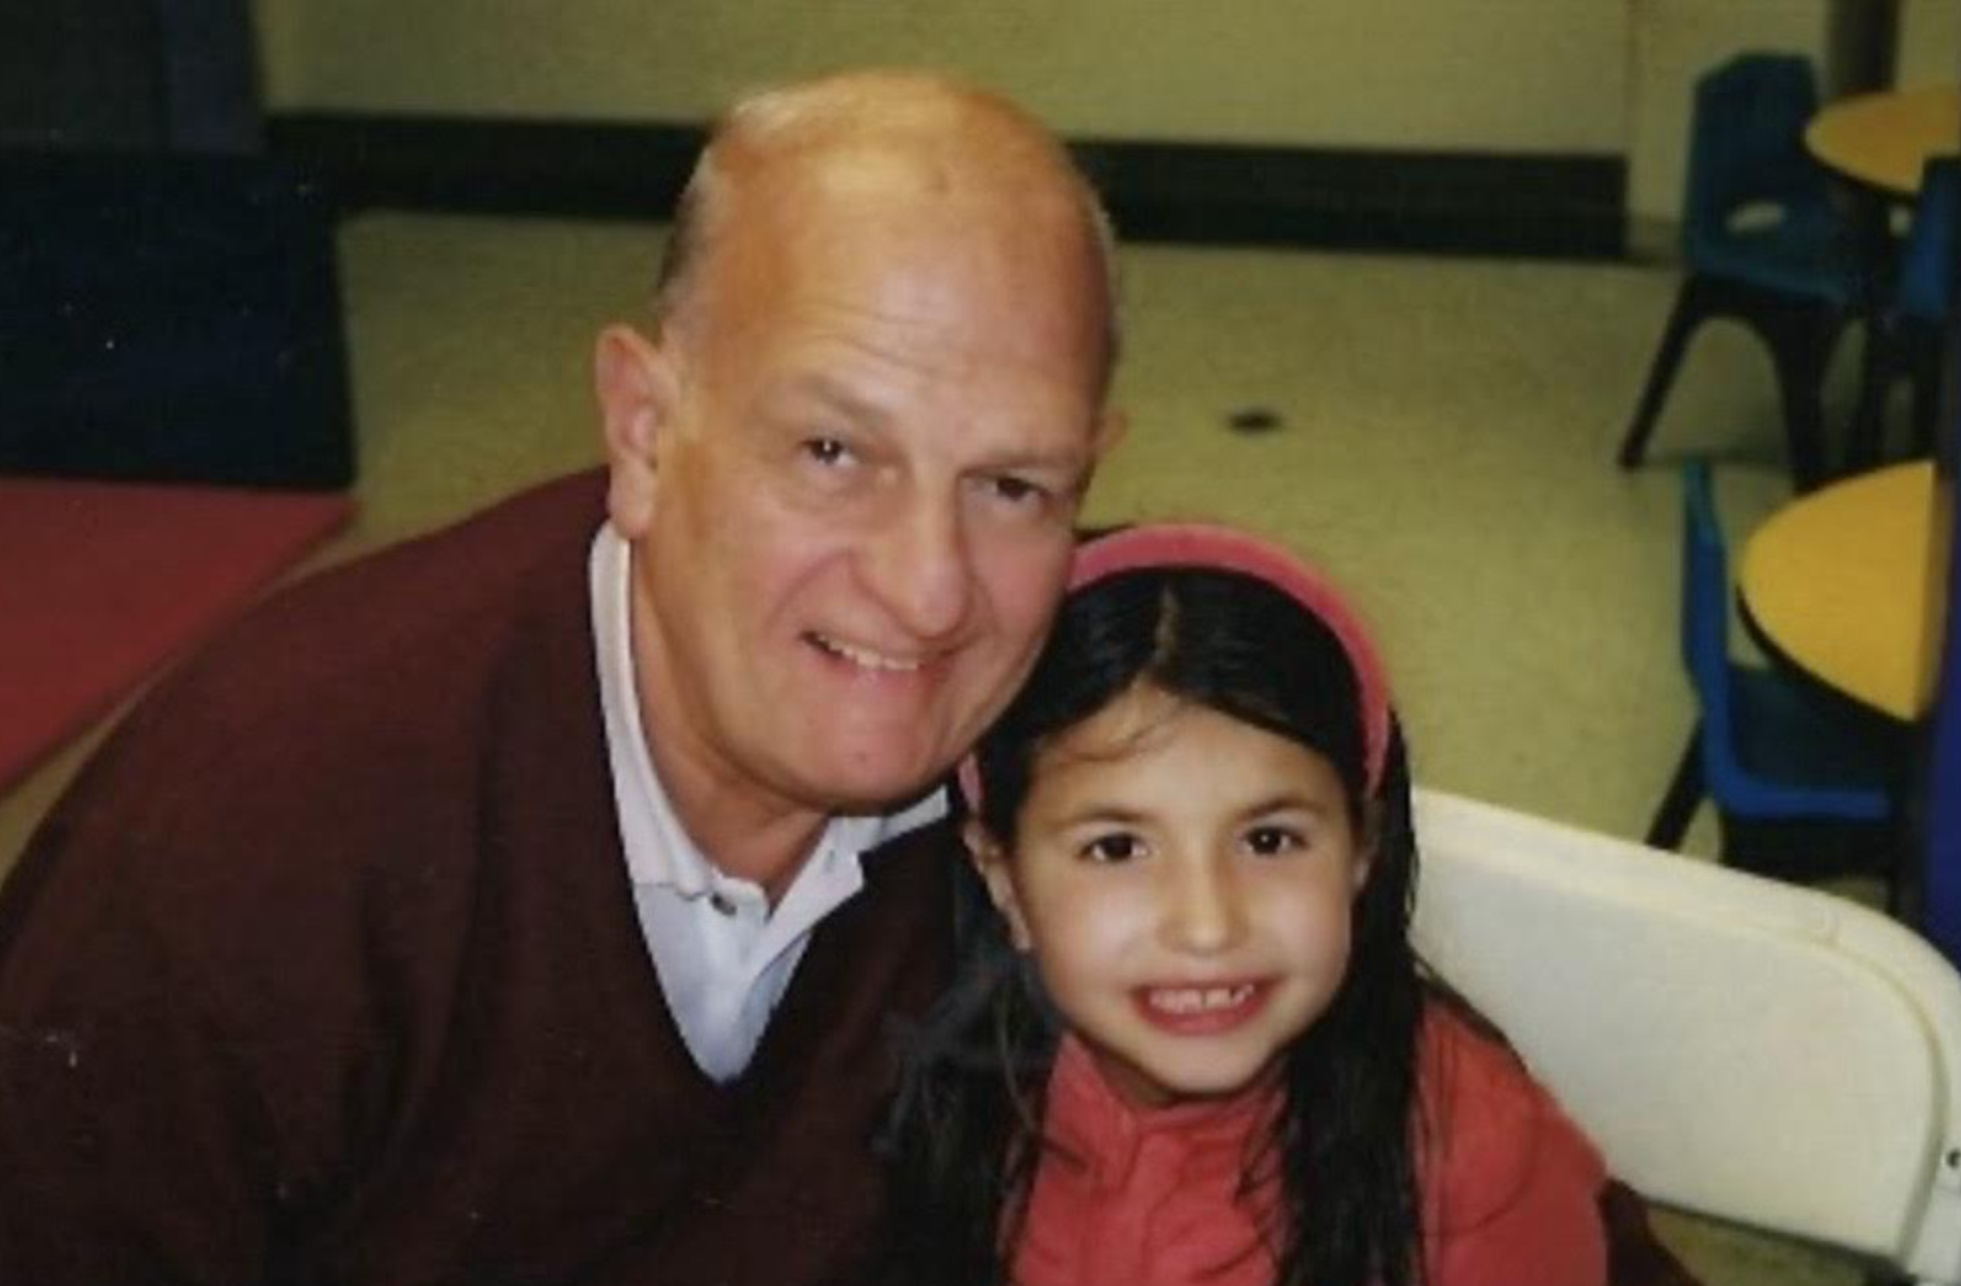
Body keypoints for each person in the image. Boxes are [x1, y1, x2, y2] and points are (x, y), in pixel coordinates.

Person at [0, 71, 1123, 1283]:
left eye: (1011, 485)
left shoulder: (1107, 763)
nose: (928, 589)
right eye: (831, 451)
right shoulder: (256, 838)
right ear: (643, 432)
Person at [882, 522, 1623, 1286]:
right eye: (1116, 848)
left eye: (1268, 841)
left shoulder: (1478, 1163)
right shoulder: (930, 1088)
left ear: (1362, 848)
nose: (1207, 926)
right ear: (1002, 875)